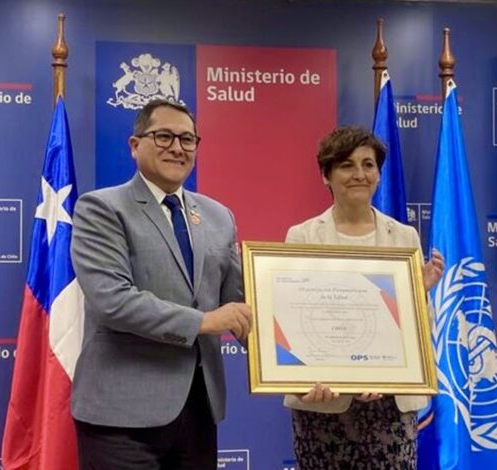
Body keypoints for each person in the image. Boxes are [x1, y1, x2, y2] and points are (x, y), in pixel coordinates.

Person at [70, 99, 251, 469]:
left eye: (187, 139)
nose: (177, 147)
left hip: (199, 413)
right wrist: (203, 322)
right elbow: (113, 301)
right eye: (164, 136)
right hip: (121, 418)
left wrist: (304, 367)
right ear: (135, 145)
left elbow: (239, 305)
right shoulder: (102, 208)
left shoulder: (219, 216)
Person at [283, 126, 444, 469]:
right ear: (326, 175)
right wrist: (300, 379)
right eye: (346, 165)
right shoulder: (303, 236)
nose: (360, 174)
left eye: (368, 165)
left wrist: (418, 293)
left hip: (391, 404)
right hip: (323, 402)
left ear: (378, 174)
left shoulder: (403, 237)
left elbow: (419, 327)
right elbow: (294, 321)